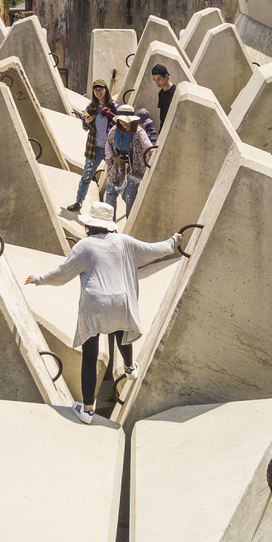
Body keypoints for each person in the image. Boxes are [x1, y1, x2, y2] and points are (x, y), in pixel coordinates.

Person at [24, 202, 181, 423]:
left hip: (95, 305)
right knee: (120, 328)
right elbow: (153, 249)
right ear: (109, 225)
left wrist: (38, 279)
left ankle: (87, 410)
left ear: (89, 225)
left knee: (90, 356)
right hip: (121, 301)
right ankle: (129, 368)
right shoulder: (124, 241)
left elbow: (62, 274)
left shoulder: (84, 246)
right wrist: (174, 241)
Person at [67, 80, 117, 212]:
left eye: (101, 89)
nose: (98, 92)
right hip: (94, 148)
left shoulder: (114, 106)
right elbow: (85, 127)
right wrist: (86, 122)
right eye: (96, 90)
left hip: (110, 148)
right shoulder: (91, 107)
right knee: (86, 176)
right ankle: (79, 202)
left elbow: (120, 123)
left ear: (106, 90)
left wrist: (110, 115)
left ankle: (109, 210)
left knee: (113, 179)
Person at [104, 106, 152, 216]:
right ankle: (110, 225)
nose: (125, 123)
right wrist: (113, 158)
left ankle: (129, 221)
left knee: (129, 198)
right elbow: (108, 145)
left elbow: (147, 146)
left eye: (127, 120)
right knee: (110, 194)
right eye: (122, 120)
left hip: (133, 170)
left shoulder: (139, 132)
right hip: (116, 169)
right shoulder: (114, 131)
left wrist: (153, 152)